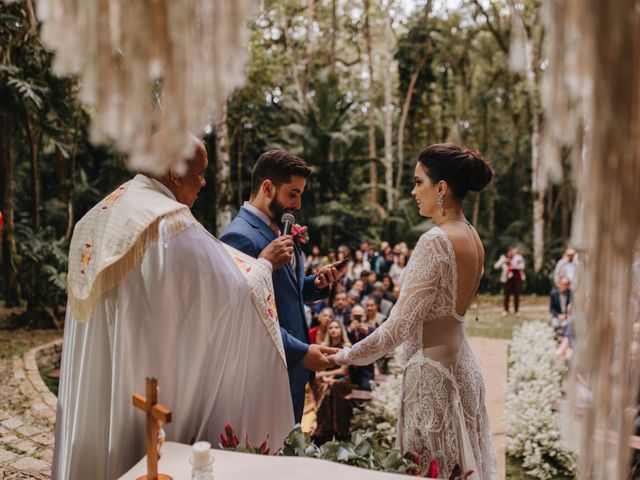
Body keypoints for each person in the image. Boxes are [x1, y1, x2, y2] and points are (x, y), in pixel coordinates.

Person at [53, 138, 294, 479]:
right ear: (176, 173)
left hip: (101, 384)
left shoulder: (98, 215)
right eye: (200, 172)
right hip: (144, 376)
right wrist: (264, 265)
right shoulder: (170, 224)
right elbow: (231, 289)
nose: (204, 181)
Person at [330, 143, 499, 479]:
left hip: (431, 377)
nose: (413, 191)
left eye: (418, 182)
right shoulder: (473, 237)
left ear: (441, 188)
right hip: (462, 367)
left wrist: (344, 356)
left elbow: (398, 328)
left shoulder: (435, 241)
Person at [220, 149, 344, 423]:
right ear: (267, 187)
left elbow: (284, 291)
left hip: (294, 369)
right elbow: (245, 313)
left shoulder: (282, 227)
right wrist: (300, 351)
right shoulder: (238, 237)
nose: (298, 203)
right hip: (268, 370)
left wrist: (315, 284)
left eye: (300, 194)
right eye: (293, 193)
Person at [312, 319, 353, 443]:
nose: (333, 330)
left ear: (341, 330)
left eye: (336, 327)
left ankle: (329, 429)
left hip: (341, 380)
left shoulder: (347, 347)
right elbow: (319, 368)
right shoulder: (324, 346)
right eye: (331, 328)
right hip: (327, 380)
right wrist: (324, 376)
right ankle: (326, 428)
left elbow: (343, 371)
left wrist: (326, 375)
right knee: (323, 385)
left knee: (331, 387)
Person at [345, 305, 376, 391]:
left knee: (366, 387)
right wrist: (349, 331)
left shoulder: (372, 331)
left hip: (365, 369)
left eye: (360, 316)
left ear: (365, 317)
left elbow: (376, 347)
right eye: (355, 316)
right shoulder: (345, 330)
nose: (358, 318)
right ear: (351, 316)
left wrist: (367, 333)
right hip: (348, 369)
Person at [494, 248, 513, 316]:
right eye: (510, 252)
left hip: (513, 279)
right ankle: (505, 309)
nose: (511, 253)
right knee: (506, 295)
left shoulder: (514, 259)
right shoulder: (503, 258)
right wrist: (503, 261)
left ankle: (516, 310)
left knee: (516, 295)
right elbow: (496, 266)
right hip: (506, 279)